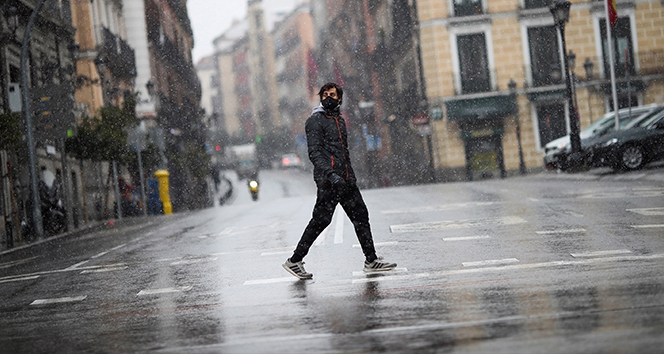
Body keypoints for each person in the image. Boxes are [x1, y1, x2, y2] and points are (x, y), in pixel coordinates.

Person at [282, 82, 396, 279]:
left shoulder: (339, 120)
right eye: (325, 94)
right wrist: (331, 175)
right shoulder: (315, 120)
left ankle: (371, 260)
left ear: (340, 98)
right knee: (321, 219)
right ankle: (294, 260)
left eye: (332, 94)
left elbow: (343, 153)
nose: (328, 97)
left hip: (345, 180)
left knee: (360, 215)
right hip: (329, 181)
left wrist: (348, 176)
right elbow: (315, 153)